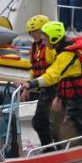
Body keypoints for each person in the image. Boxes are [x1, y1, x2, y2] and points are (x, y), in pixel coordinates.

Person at [19, 21, 82, 145]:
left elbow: (52, 75)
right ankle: (55, 152)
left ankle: (73, 157)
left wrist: (30, 84)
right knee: (58, 129)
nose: (43, 43)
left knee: (72, 134)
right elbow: (64, 76)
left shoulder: (67, 55)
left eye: (45, 40)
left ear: (54, 38)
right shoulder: (63, 50)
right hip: (73, 96)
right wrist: (60, 96)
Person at [21, 15, 58, 151]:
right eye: (31, 32)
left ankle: (52, 150)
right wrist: (28, 87)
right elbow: (33, 68)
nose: (33, 35)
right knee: (40, 122)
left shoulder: (49, 48)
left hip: (54, 88)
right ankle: (49, 149)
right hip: (44, 88)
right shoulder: (35, 48)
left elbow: (57, 71)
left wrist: (58, 95)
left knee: (43, 122)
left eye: (36, 31)